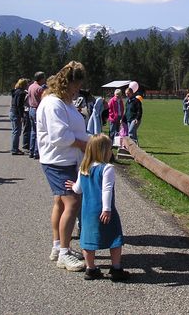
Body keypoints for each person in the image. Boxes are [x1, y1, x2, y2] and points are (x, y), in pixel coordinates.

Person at [37, 61, 89, 272]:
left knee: (60, 202)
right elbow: (60, 136)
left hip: (65, 158)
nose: (78, 89)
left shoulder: (64, 102)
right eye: (76, 85)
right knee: (73, 202)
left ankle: (58, 247)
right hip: (59, 160)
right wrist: (87, 145)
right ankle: (65, 254)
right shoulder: (53, 104)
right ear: (67, 83)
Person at [66, 134, 129, 281]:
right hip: (103, 209)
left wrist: (73, 186)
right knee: (114, 238)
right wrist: (106, 208)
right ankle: (116, 268)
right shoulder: (107, 168)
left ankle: (91, 268)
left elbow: (78, 189)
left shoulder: (84, 167)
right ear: (104, 151)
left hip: (87, 211)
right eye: (110, 149)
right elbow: (106, 189)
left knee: (88, 239)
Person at [27, 72, 46, 159]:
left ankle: (31, 151)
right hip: (37, 109)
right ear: (40, 79)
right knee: (38, 132)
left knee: (33, 131)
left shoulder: (30, 86)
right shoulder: (39, 88)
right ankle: (36, 152)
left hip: (31, 109)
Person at [10, 78, 28, 155]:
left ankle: (14, 148)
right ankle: (14, 149)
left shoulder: (15, 91)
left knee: (15, 131)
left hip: (12, 112)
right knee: (17, 132)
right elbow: (19, 105)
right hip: (16, 113)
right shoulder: (21, 93)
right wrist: (21, 116)